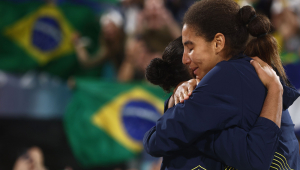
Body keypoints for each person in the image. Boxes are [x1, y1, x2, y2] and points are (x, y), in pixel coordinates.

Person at [143, 1, 300, 170]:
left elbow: (155, 141)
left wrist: (183, 114)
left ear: (218, 42)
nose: (185, 59)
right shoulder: (253, 73)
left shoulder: (226, 75)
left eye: (191, 48)